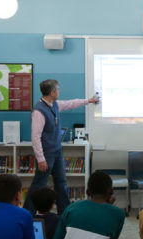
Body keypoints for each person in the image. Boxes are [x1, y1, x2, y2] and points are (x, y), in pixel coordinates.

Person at [23, 79, 99, 215]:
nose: (59, 92)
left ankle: (64, 213)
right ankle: (28, 213)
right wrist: (40, 159)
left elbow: (71, 103)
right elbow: (35, 137)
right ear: (52, 92)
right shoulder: (39, 112)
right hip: (46, 154)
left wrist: (89, 100)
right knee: (39, 184)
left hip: (56, 151)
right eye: (58, 90)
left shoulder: (54, 105)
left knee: (61, 182)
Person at [52, 170, 125, 239]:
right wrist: (109, 207)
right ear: (111, 192)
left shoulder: (71, 208)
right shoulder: (118, 213)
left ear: (87, 192)